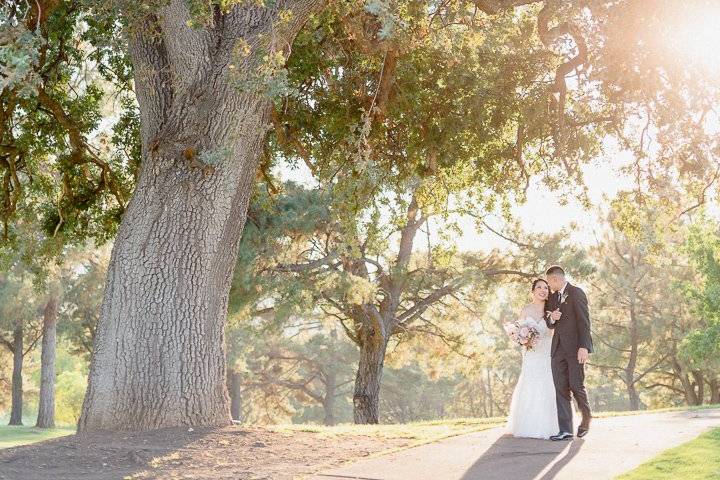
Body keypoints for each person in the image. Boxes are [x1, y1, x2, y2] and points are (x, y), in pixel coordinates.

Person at [544, 265, 593, 441]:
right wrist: (552, 318)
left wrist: (584, 347)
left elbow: (584, 322)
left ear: (555, 279)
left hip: (575, 349)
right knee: (561, 388)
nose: (549, 285)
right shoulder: (552, 297)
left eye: (549, 282)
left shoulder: (576, 293)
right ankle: (565, 430)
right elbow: (549, 322)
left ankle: (586, 418)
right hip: (557, 350)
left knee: (576, 385)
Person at [506, 278, 559, 439]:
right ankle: (527, 424)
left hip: (546, 351)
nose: (543, 290)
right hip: (531, 354)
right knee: (529, 384)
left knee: (547, 384)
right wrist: (524, 339)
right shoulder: (526, 309)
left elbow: (553, 332)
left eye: (545, 288)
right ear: (533, 291)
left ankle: (552, 426)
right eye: (539, 287)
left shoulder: (551, 310)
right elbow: (517, 332)